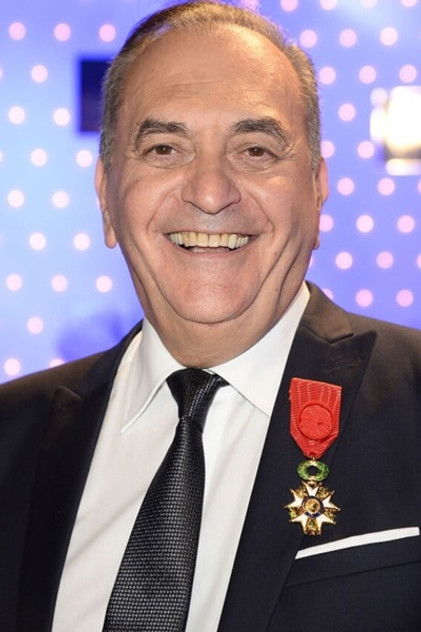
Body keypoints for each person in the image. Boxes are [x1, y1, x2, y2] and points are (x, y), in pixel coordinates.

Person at [1, 2, 421, 631]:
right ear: (106, 197)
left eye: (255, 150)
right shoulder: (10, 438)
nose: (210, 191)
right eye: (164, 147)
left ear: (317, 190)